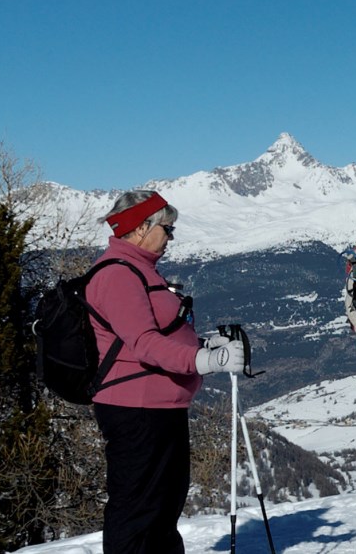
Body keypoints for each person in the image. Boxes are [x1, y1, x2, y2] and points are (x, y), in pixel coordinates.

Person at [88, 190, 247, 554]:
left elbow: (161, 333)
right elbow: (143, 343)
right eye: (167, 228)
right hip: (136, 410)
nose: (171, 238)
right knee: (139, 512)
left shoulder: (140, 269)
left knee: (161, 508)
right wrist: (204, 362)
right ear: (142, 227)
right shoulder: (118, 274)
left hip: (159, 408)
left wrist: (206, 346)